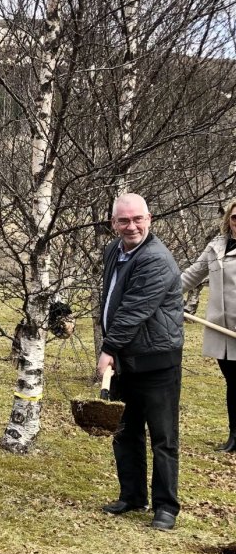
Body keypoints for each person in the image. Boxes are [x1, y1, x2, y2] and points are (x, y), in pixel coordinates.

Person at [98, 193, 184, 531]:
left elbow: (134, 310)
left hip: (157, 360)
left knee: (163, 436)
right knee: (125, 430)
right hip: (127, 357)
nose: (131, 226)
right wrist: (115, 351)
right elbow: (111, 301)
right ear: (114, 223)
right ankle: (132, 495)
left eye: (137, 219)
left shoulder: (156, 259)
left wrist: (107, 348)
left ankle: (166, 507)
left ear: (149, 219)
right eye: (124, 220)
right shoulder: (113, 251)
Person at [180, 198, 236, 453]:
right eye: (235, 218)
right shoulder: (216, 247)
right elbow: (192, 275)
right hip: (220, 331)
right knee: (233, 383)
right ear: (228, 220)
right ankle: (234, 435)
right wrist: (160, 292)